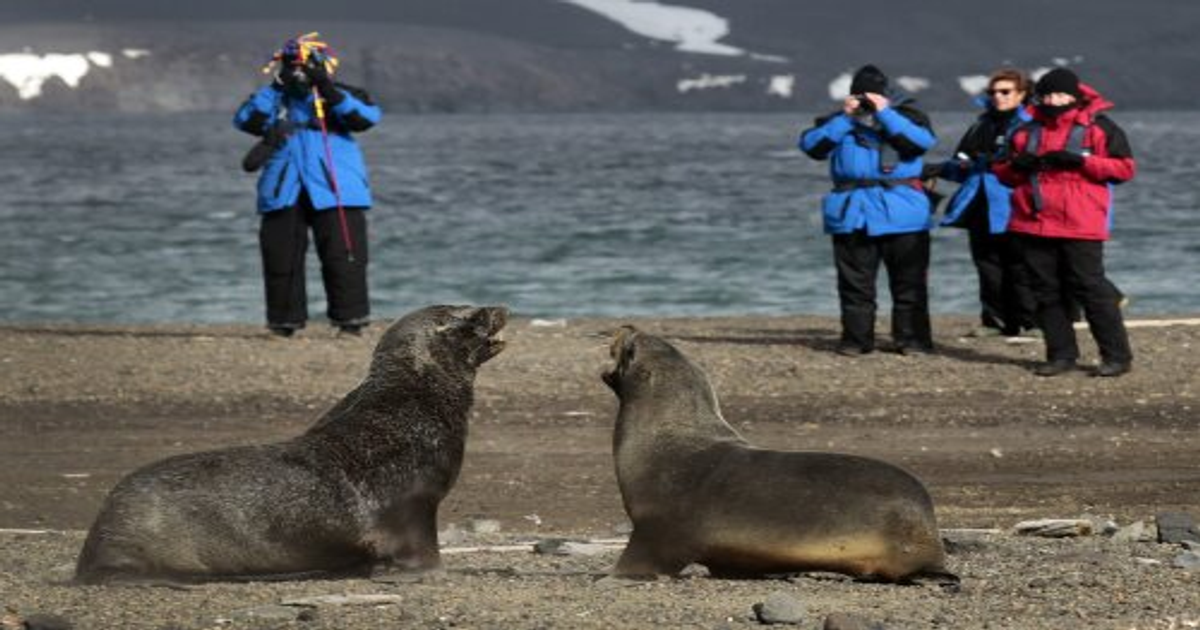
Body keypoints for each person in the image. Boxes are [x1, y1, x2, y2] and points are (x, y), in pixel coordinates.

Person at [233, 34, 382, 337]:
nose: (299, 71)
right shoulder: (275, 98)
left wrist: (324, 86)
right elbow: (245, 120)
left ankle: (350, 322)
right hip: (283, 189)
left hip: (337, 189)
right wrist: (277, 85)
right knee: (280, 256)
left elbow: (366, 118)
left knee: (344, 257)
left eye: (306, 64)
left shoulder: (342, 95)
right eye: (293, 65)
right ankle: (284, 322)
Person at [993, 68, 1136, 377]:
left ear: (1075, 96)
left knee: (1091, 289)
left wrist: (1083, 161)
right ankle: (1060, 355)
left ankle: (1116, 357)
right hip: (1033, 221)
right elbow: (1003, 173)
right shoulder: (1024, 132)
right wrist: (1016, 167)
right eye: (1047, 95)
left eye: (1060, 95)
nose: (1053, 101)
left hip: (1080, 222)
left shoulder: (1099, 128)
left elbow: (1124, 169)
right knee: (1045, 291)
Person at [799, 65, 937, 356]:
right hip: (852, 213)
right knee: (854, 285)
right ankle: (856, 340)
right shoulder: (838, 122)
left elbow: (920, 144)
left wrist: (885, 113)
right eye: (860, 94)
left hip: (902, 214)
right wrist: (846, 117)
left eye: (871, 94)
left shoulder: (909, 118)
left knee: (909, 285)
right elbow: (811, 146)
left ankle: (912, 340)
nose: (866, 100)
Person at [928, 68, 1038, 338]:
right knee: (987, 265)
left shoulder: (1031, 125)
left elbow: (1034, 163)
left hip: (1014, 202)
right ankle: (996, 321)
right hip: (979, 202)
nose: (998, 97)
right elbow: (960, 162)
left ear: (1022, 94)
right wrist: (944, 168)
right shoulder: (981, 125)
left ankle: (1032, 322)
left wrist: (998, 161)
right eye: (993, 92)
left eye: (1005, 92)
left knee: (1020, 265)